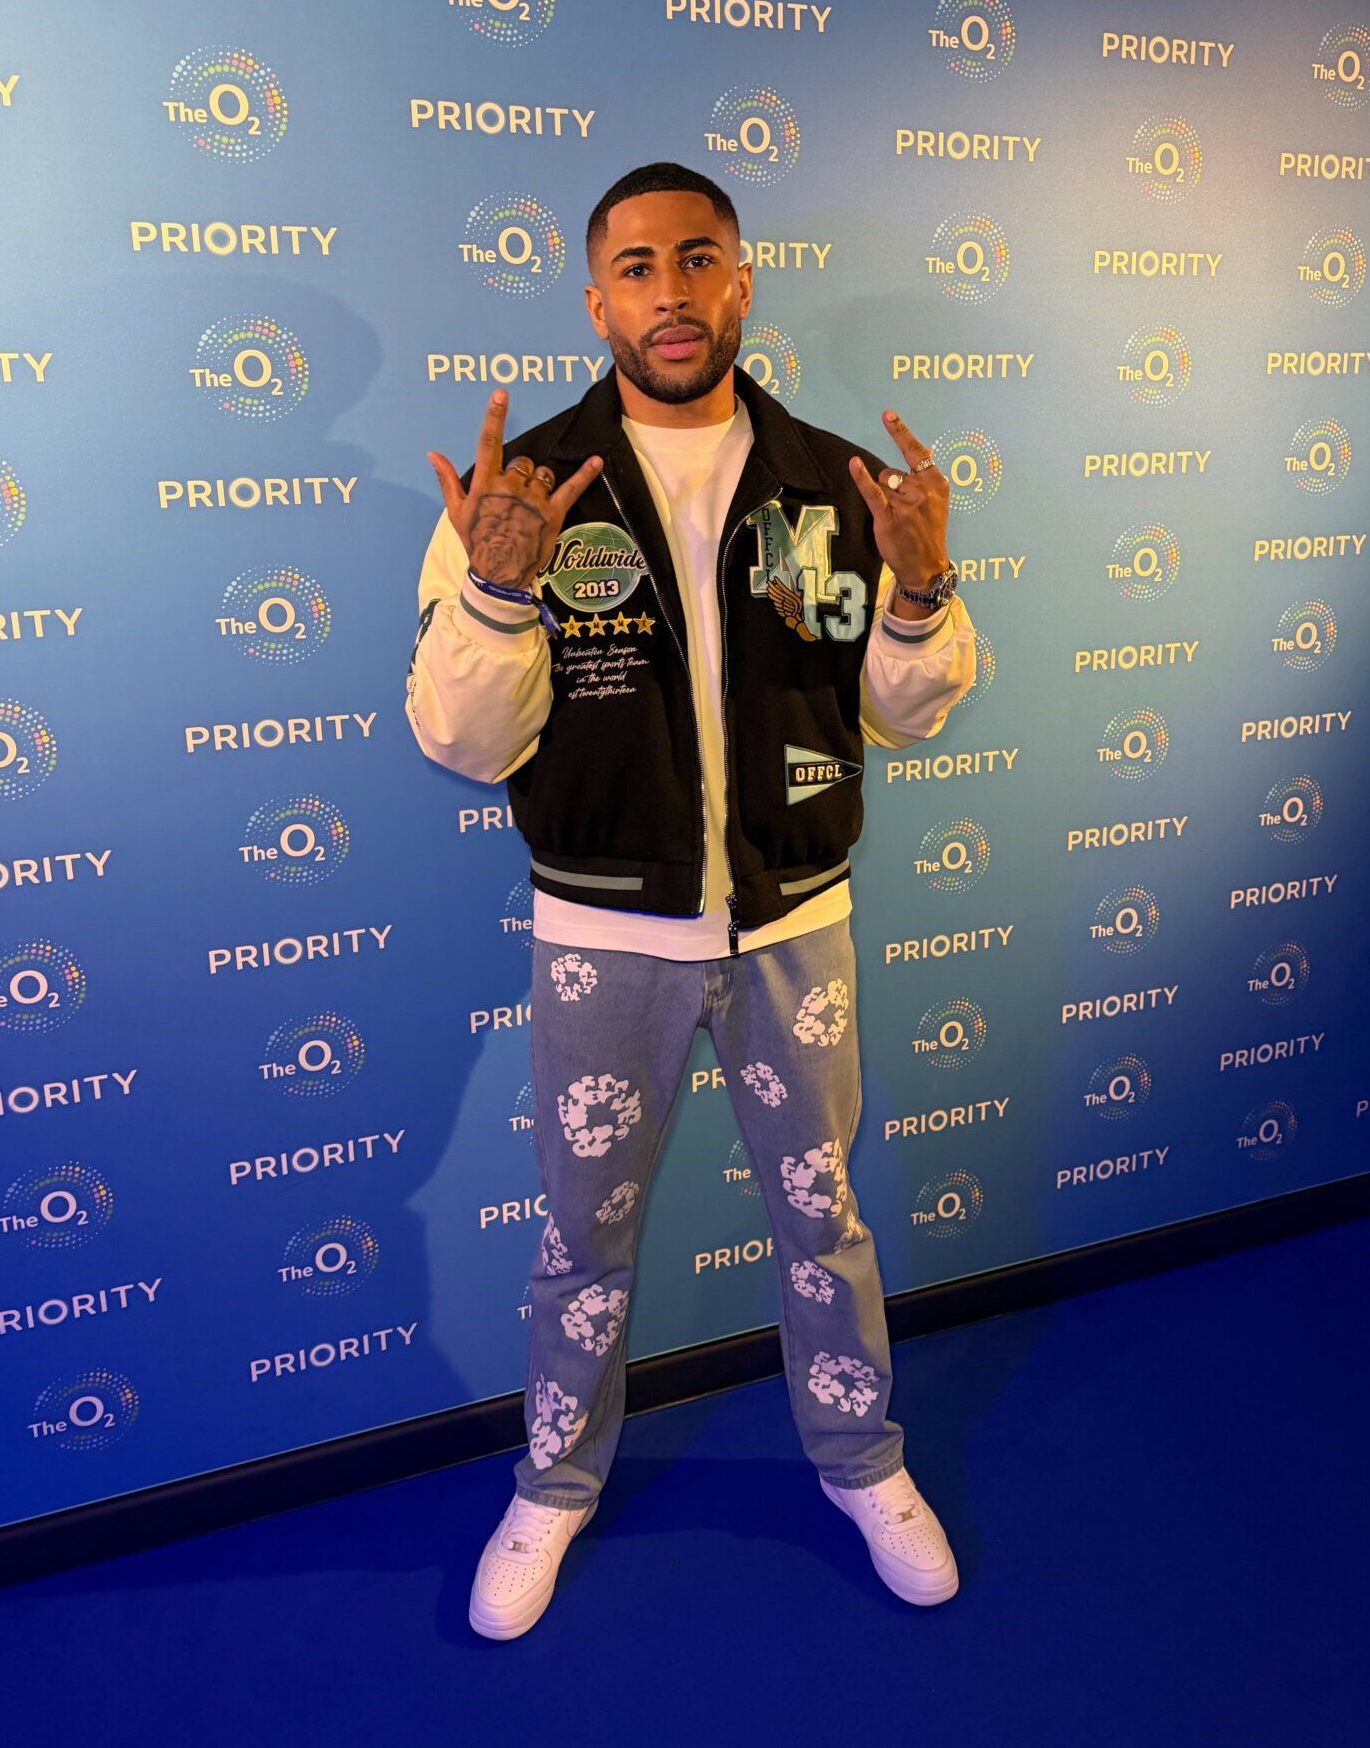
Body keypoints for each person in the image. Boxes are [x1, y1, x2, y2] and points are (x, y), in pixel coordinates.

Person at [407, 161, 977, 1640]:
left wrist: (918, 594)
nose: (673, 290)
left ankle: (861, 1462)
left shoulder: (833, 483)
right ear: (596, 300)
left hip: (797, 929)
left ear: (743, 281)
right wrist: (494, 594)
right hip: (608, 940)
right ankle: (550, 1484)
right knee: (582, 1241)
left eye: (700, 259)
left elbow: (907, 711)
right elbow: (462, 743)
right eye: (640, 266)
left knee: (825, 1219)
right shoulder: (525, 494)